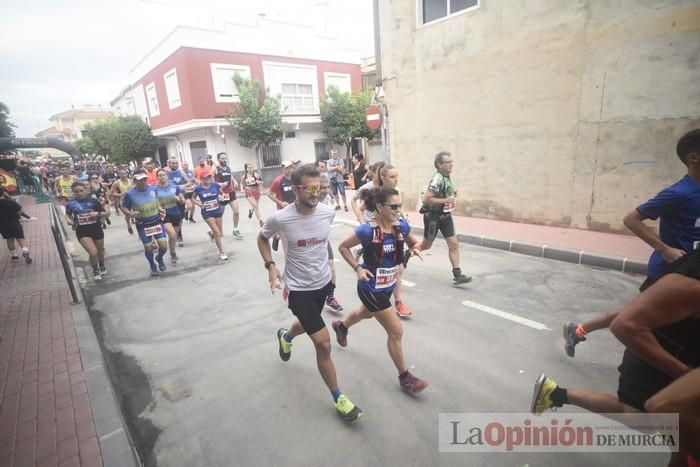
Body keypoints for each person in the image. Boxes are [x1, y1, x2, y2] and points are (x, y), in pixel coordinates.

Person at [532, 248, 700, 467]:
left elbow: (627, 314)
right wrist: (686, 376)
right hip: (657, 354)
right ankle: (556, 393)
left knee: (674, 436)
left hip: (676, 347)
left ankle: (555, 392)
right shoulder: (690, 281)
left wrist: (582, 329)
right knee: (651, 423)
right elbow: (626, 322)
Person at [564, 129, 700, 357]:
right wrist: (664, 249)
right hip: (670, 272)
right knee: (638, 316)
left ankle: (578, 330)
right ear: (694, 157)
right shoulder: (679, 193)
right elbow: (631, 219)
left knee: (642, 314)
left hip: (692, 271)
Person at [258, 164, 362, 422]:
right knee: (323, 342)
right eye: (310, 188)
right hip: (298, 290)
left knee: (307, 324)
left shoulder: (327, 213)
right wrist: (270, 266)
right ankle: (339, 397)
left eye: (320, 188)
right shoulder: (281, 218)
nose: (317, 193)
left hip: (322, 284)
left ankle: (286, 335)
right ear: (296, 190)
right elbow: (262, 238)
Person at [333, 187, 428, 393]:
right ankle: (405, 377)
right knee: (396, 331)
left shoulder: (400, 226)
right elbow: (342, 247)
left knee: (365, 313)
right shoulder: (367, 230)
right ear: (379, 207)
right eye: (393, 206)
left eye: (399, 206)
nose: (397, 210)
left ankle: (342, 327)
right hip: (370, 287)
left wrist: (415, 248)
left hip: (388, 285)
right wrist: (358, 268)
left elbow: (413, 242)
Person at [419, 151, 472, 285]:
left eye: (451, 162)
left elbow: (446, 195)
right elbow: (426, 199)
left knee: (454, 244)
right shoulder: (437, 178)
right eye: (448, 162)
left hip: (446, 216)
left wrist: (452, 195)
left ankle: (457, 274)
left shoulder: (446, 177)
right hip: (433, 217)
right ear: (439, 165)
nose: (451, 164)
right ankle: (408, 253)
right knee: (426, 246)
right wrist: (445, 200)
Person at [122, 170, 169, 277]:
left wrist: (160, 207)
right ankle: (152, 265)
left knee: (164, 247)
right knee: (148, 247)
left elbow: (158, 200)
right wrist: (131, 213)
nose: (143, 182)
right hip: (142, 224)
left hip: (156, 221)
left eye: (144, 179)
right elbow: (124, 207)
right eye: (140, 180)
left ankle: (159, 258)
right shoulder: (129, 194)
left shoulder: (153, 189)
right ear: (134, 181)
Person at [65, 182, 106, 281]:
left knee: (100, 251)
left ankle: (101, 264)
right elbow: (68, 215)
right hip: (82, 231)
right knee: (93, 252)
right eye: (76, 192)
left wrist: (97, 214)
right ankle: (95, 269)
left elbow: (104, 212)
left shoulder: (93, 201)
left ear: (86, 190)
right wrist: (69, 220)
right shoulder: (71, 204)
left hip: (96, 229)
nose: (79, 193)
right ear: (73, 192)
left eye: (81, 191)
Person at [319, 173, 343, 312]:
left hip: (322, 240)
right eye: (323, 187)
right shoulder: (308, 201)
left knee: (331, 266)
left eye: (328, 187)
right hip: (307, 243)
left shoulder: (327, 199)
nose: (326, 190)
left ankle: (330, 297)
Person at [192, 172, 228, 260]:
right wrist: (199, 204)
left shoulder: (215, 185)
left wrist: (223, 196)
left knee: (219, 232)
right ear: (201, 179)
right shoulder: (198, 188)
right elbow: (192, 198)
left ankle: (211, 234)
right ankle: (221, 252)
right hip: (207, 212)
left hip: (217, 210)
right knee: (217, 232)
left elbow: (222, 193)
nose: (207, 179)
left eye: (209, 177)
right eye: (205, 178)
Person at [155, 169, 185, 264]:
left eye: (163, 174)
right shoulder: (155, 189)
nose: (162, 177)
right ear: (157, 177)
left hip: (176, 213)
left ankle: (172, 253)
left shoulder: (174, 187)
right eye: (160, 175)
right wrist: (159, 207)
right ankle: (169, 252)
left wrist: (178, 199)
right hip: (164, 214)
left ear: (167, 176)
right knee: (171, 234)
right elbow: (153, 201)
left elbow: (182, 200)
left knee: (173, 237)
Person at [267, 161, 296, 251]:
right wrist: (280, 202)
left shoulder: (295, 179)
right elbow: (269, 193)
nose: (289, 170)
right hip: (282, 210)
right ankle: (277, 237)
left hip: (295, 208)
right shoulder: (278, 180)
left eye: (291, 167)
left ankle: (292, 245)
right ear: (282, 169)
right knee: (285, 230)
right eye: (287, 168)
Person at [213, 152, 243, 239]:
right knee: (220, 214)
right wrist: (220, 184)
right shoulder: (216, 169)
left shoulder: (228, 168)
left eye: (225, 158)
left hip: (230, 192)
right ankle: (215, 230)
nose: (224, 160)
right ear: (218, 159)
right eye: (222, 158)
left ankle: (235, 229)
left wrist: (234, 180)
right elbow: (211, 181)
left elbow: (229, 175)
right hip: (221, 193)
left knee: (236, 211)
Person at [0, 187, 32, 264]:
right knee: (21, 238)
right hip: (14, 223)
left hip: (3, 226)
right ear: (3, 193)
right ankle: (25, 251)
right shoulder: (10, 202)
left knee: (9, 239)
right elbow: (19, 210)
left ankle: (14, 256)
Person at [109, 168, 134, 235]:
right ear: (119, 174)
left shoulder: (131, 181)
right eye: (121, 173)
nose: (123, 175)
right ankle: (129, 224)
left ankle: (139, 229)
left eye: (125, 173)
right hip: (123, 201)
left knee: (135, 214)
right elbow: (110, 192)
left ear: (127, 174)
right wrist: (120, 194)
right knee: (127, 214)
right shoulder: (117, 183)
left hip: (133, 200)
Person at [242, 161, 265, 227]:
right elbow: (242, 184)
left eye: (252, 167)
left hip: (256, 191)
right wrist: (242, 189)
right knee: (256, 206)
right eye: (249, 167)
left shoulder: (256, 175)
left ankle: (251, 210)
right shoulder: (244, 177)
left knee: (255, 206)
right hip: (249, 192)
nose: (251, 169)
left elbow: (262, 181)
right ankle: (261, 221)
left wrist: (259, 182)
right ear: (246, 169)